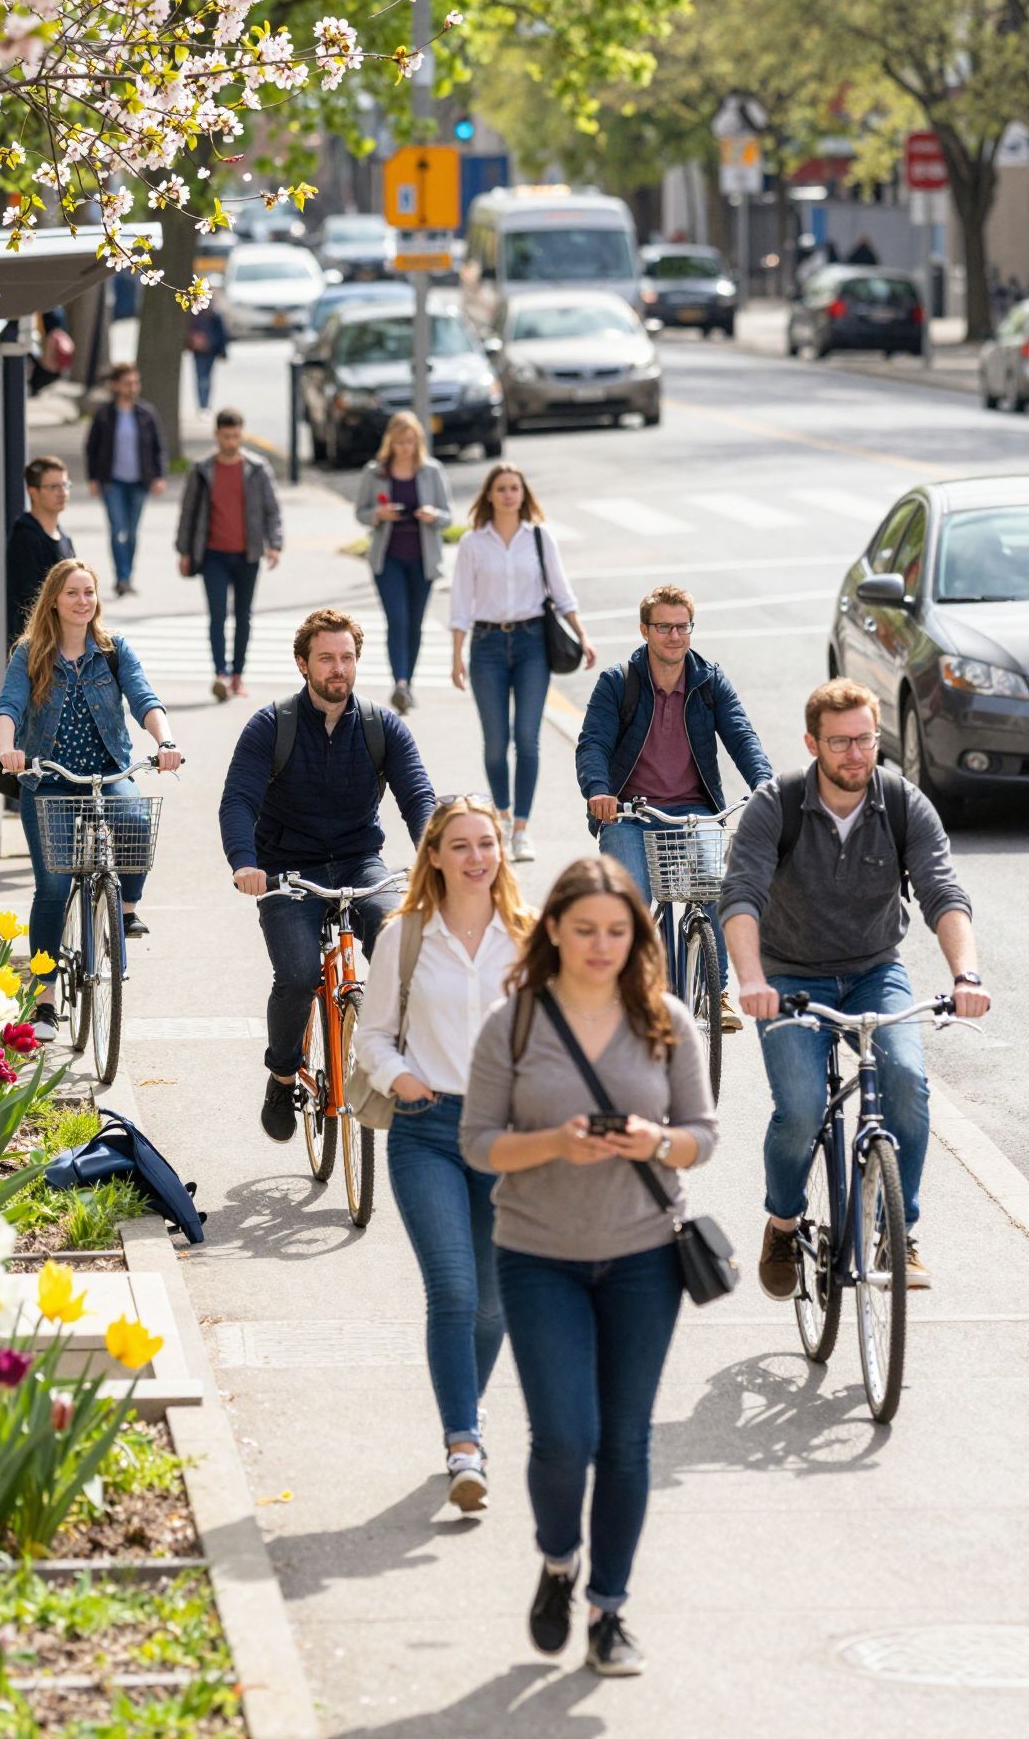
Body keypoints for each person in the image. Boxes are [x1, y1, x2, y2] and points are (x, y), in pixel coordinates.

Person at [461, 855, 717, 1676]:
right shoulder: (517, 1024)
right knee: (565, 1438)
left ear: (636, 935)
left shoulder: (665, 1018)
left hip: (645, 1257)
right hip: (539, 1256)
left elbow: (702, 1136)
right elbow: (478, 1143)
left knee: (628, 1441)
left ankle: (609, 1610)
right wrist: (554, 1145)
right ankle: (557, 1562)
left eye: (617, 931)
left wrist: (656, 1143)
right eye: (584, 931)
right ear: (556, 933)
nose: (601, 946)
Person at [720, 677, 990, 1297]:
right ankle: (784, 1223)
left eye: (864, 740)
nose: (854, 755)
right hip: (786, 974)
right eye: (839, 742)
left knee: (906, 1081)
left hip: (874, 969)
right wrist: (752, 979)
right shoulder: (777, 804)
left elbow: (943, 892)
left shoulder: (901, 803)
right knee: (801, 1110)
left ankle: (897, 1233)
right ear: (812, 743)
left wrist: (966, 974)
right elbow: (741, 896)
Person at [354, 796, 532, 1511]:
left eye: (486, 844)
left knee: (494, 1307)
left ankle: (467, 1406)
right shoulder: (405, 935)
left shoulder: (527, 937)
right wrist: (398, 1077)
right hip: (426, 1130)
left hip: (506, 1136)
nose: (476, 858)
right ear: (434, 856)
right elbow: (371, 1036)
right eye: (459, 846)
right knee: (454, 1291)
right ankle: (464, 1440)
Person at [218, 607, 435, 1142]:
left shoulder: (382, 727)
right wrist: (245, 863)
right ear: (303, 665)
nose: (338, 668)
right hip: (287, 869)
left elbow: (419, 799)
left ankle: (382, 1047)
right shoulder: (272, 726)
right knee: (297, 975)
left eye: (346, 657)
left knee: (398, 942)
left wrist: (437, 856)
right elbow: (239, 800)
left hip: (361, 861)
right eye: (326, 659)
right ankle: (282, 1074)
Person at [0, 559, 183, 1043]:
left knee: (136, 819)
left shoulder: (113, 652)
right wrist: (7, 751)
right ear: (54, 599)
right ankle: (45, 1001)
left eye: (89, 592)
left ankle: (127, 908)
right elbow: (8, 707)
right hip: (50, 778)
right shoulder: (30, 653)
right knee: (53, 888)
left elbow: (143, 698)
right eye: (73, 592)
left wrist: (164, 742)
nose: (83, 601)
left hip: (106, 770)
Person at [577, 583, 772, 1032]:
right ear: (645, 630)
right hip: (629, 811)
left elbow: (742, 735)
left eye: (682, 627)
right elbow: (594, 744)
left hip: (694, 810)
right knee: (629, 902)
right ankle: (623, 994)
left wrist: (764, 784)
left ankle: (715, 991)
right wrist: (598, 790)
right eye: (664, 627)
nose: (674, 636)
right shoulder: (618, 682)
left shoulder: (709, 681)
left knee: (716, 893)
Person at [450, 465, 595, 863]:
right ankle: (501, 814)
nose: (509, 494)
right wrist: (456, 656)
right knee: (497, 744)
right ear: (490, 495)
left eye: (515, 488)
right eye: (501, 488)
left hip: (533, 644)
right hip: (486, 646)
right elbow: (461, 604)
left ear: (523, 494)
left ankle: (521, 830)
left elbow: (562, 592)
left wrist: (582, 635)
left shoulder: (539, 537)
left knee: (527, 739)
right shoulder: (473, 543)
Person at [175, 410, 283, 700]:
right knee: (218, 614)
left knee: (244, 616)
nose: (231, 441)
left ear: (241, 434)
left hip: (248, 554)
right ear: (217, 435)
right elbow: (188, 511)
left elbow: (272, 510)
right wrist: (184, 550)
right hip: (213, 554)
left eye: (236, 436)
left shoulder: (257, 469)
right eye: (226, 436)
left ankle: (238, 675)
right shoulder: (201, 469)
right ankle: (220, 673)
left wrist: (275, 544)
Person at [355, 412, 452, 716]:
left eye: (410, 442)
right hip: (389, 559)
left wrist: (433, 515)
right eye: (399, 442)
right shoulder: (375, 472)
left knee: (415, 624)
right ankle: (399, 683)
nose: (405, 448)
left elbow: (448, 517)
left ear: (418, 442)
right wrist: (378, 515)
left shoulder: (432, 472)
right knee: (397, 621)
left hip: (423, 560)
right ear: (391, 442)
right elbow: (360, 512)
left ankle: (407, 682)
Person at [85, 365, 166, 596]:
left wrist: (159, 476)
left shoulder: (146, 413)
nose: (133, 387)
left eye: (135, 382)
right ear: (116, 385)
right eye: (128, 383)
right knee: (118, 529)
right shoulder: (105, 414)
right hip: (112, 481)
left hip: (140, 481)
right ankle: (121, 577)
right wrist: (93, 478)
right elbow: (92, 447)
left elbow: (158, 447)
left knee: (131, 531)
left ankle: (128, 575)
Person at [6, 456, 76, 645]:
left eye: (65, 485)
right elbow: (29, 597)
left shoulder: (65, 538)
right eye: (53, 487)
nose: (62, 492)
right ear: (33, 492)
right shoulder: (25, 537)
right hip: (35, 645)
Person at [187, 306, 229, 414]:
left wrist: (222, 350)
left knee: (205, 379)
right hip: (200, 351)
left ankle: (204, 404)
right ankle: (203, 405)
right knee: (202, 379)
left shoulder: (214, 315)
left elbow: (221, 334)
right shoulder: (195, 314)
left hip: (211, 350)